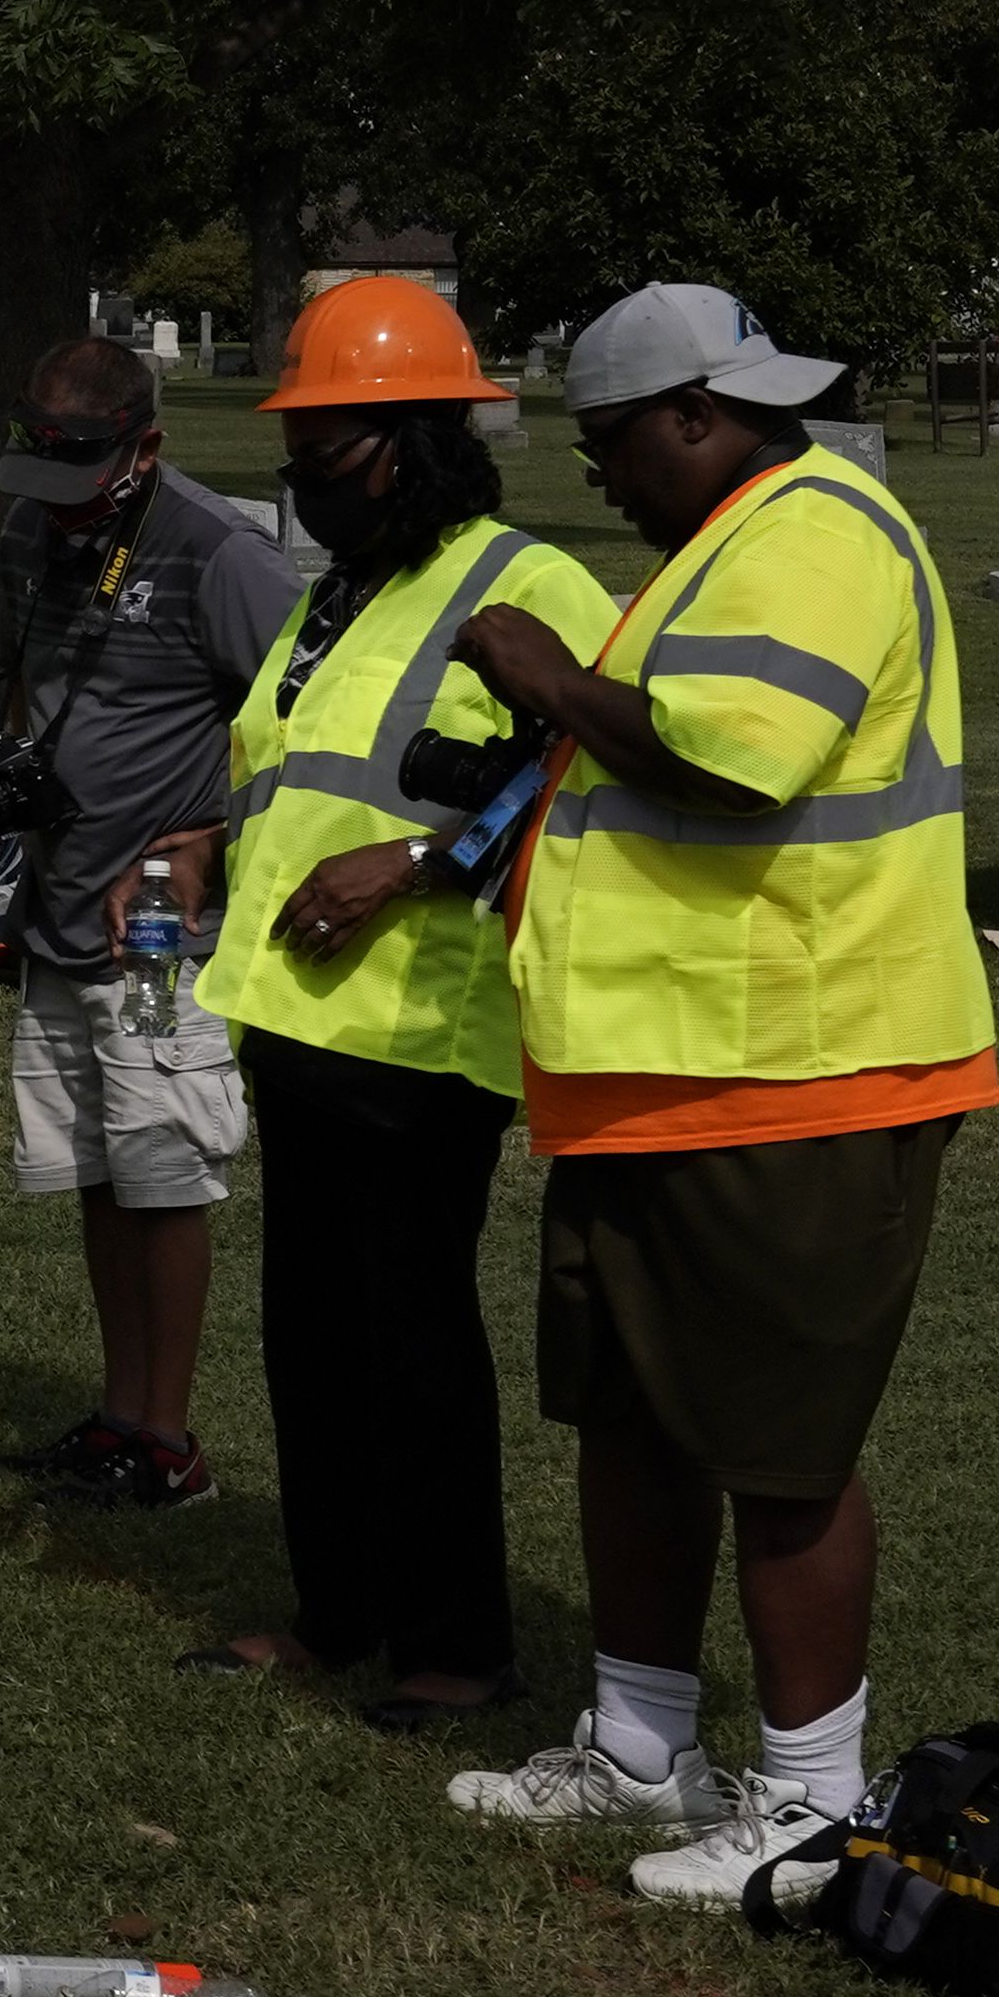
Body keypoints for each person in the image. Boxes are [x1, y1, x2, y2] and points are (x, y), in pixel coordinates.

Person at [442, 282, 996, 1910]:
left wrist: (548, 673)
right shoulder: (722, 543)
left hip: (802, 1075)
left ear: (696, 415)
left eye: (610, 443)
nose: (599, 476)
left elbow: (737, 755)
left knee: (778, 1446)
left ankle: (817, 1801)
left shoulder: (820, 528)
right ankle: (638, 1746)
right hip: (665, 1077)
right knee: (635, 1420)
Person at [173, 275, 615, 1723]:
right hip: (296, 1015)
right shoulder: (343, 594)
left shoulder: (529, 585)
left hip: (422, 1031)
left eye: (334, 453)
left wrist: (417, 862)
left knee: (413, 1339)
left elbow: (579, 783)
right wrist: (211, 841)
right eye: (299, 455)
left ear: (422, 442)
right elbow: (300, 772)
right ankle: (338, 1607)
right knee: (313, 1335)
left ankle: (454, 1646)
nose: (306, 482)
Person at [0, 332, 293, 1510]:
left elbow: (305, 730)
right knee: (99, 1172)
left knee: (164, 1173)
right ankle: (123, 1418)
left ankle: (171, 1444)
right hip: (61, 908)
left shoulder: (219, 553)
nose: (53, 515)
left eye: (81, 483)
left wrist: (210, 841)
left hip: (160, 933)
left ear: (145, 448)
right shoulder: (32, 526)